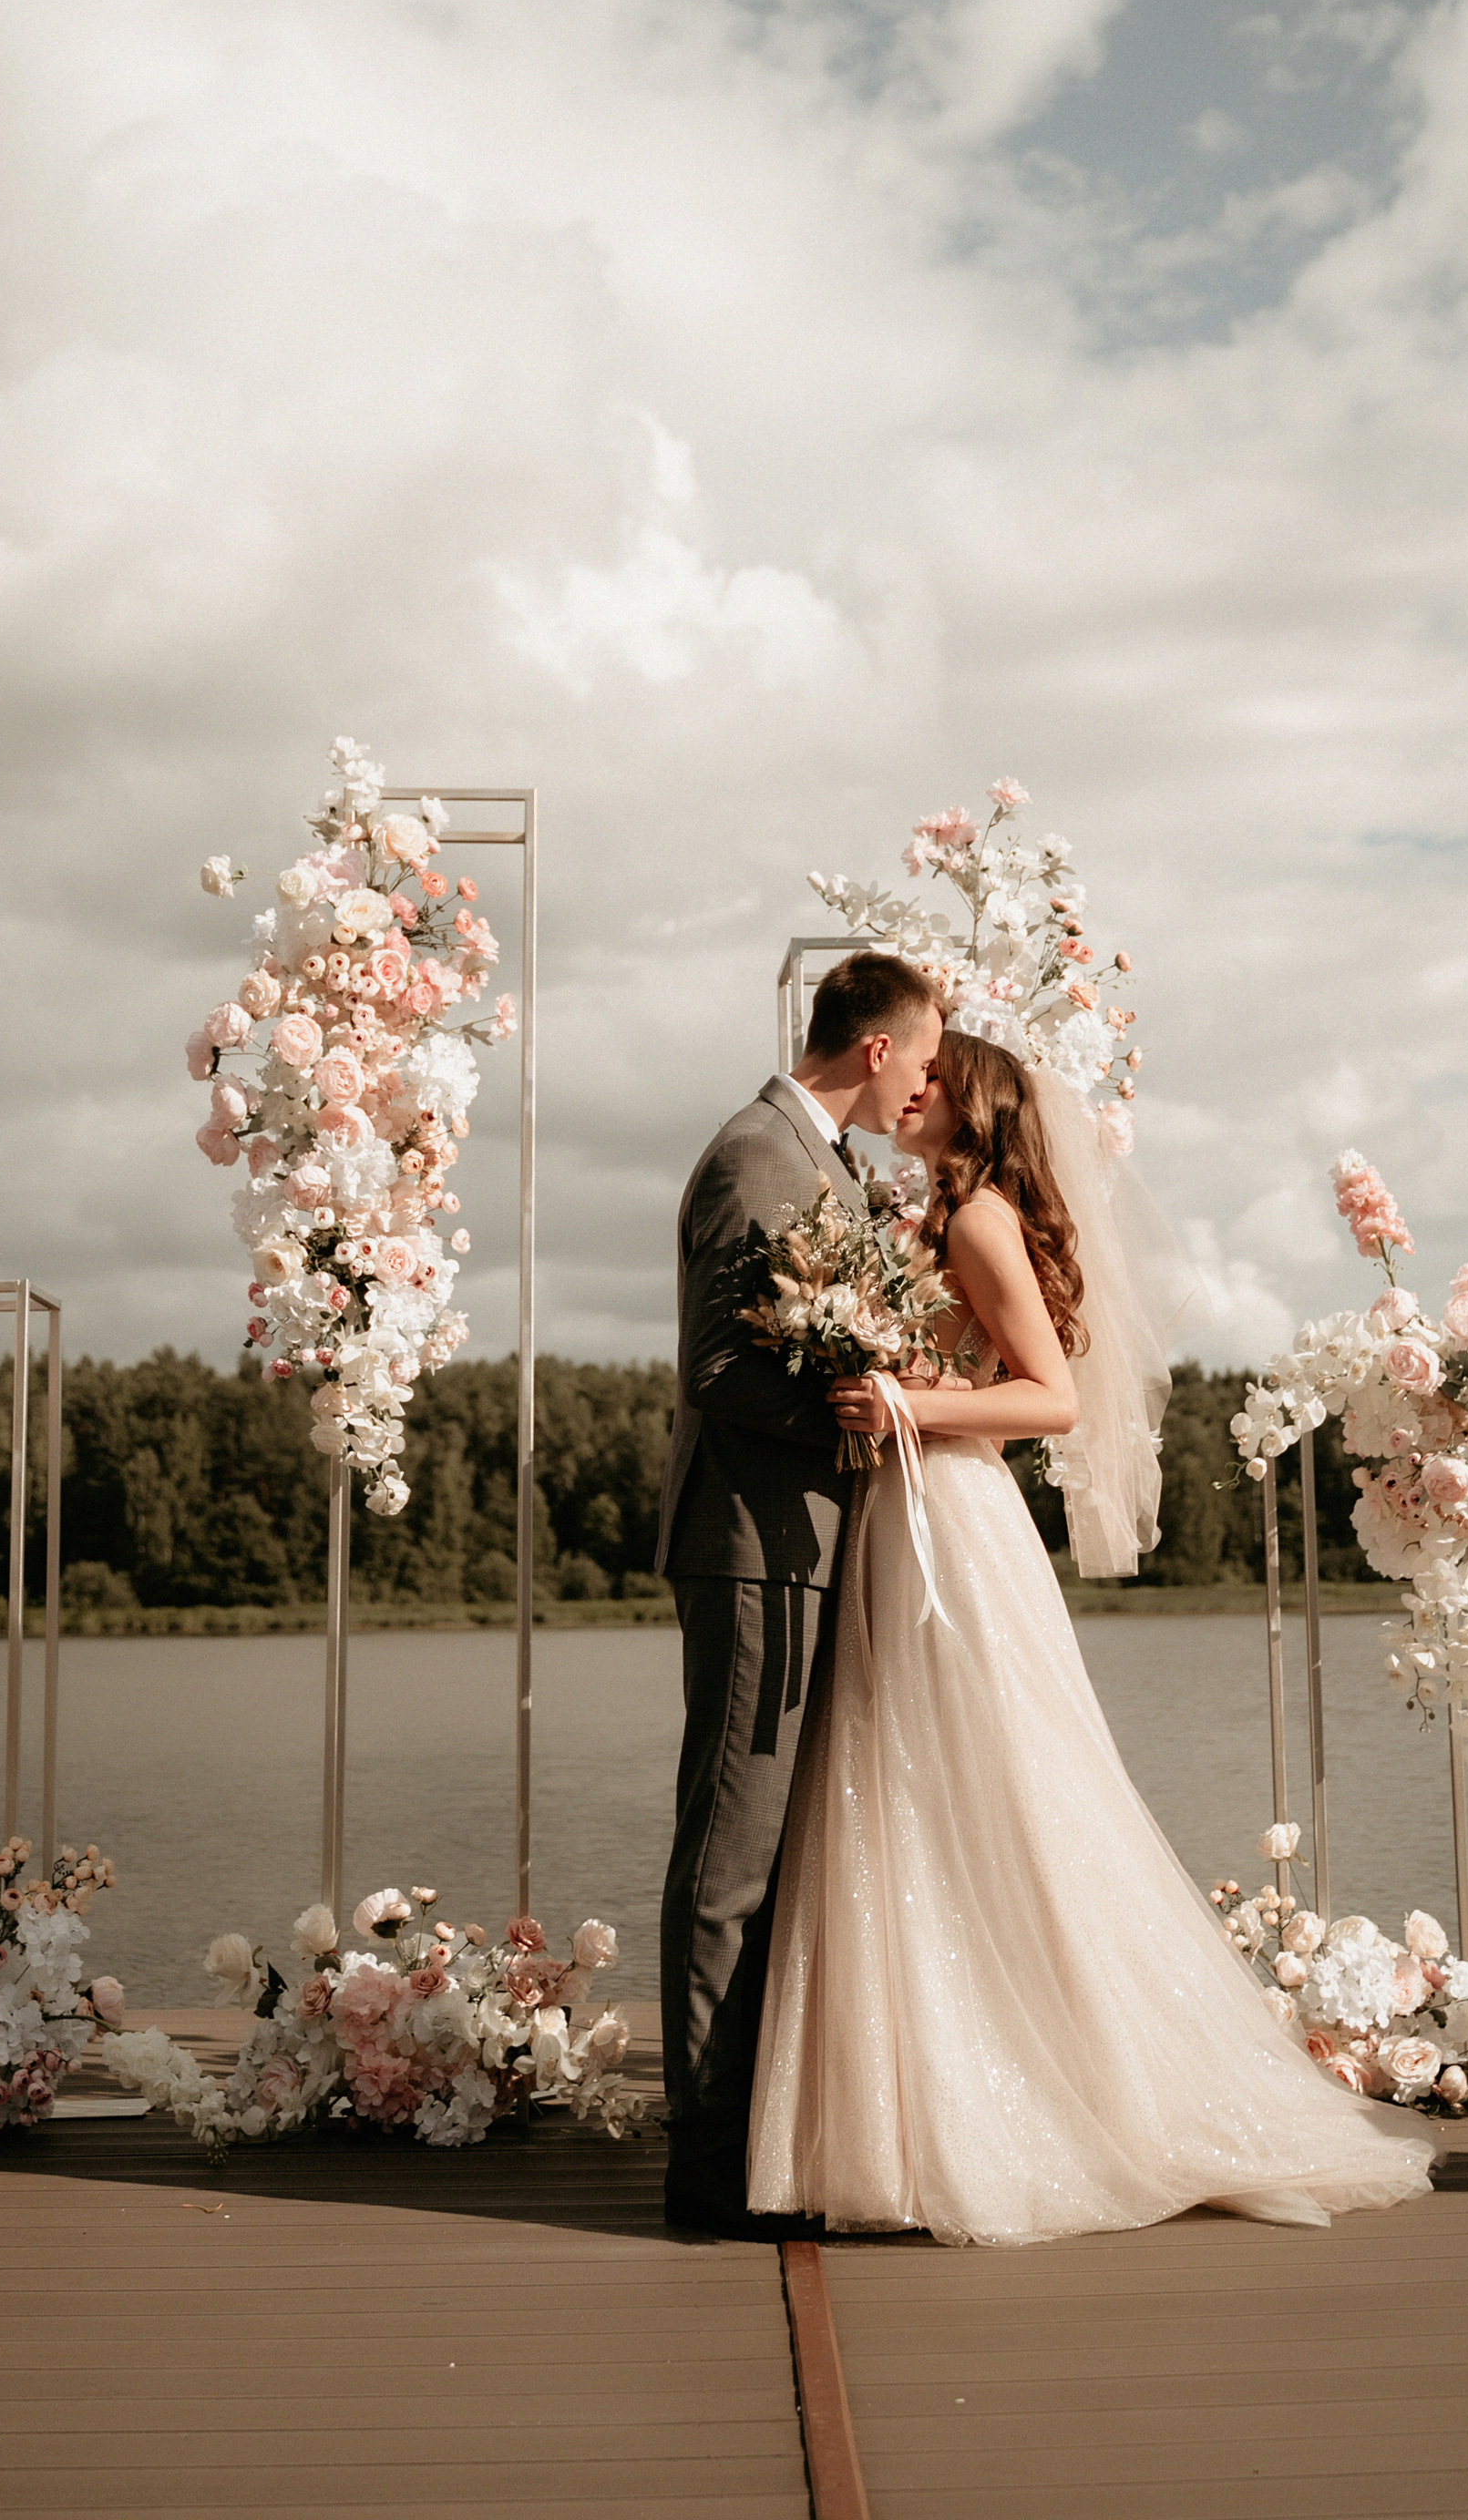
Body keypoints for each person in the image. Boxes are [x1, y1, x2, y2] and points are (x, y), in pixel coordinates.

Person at [747, 999, 1436, 2242]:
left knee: (989, 1785)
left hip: (951, 1524)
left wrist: (905, 1403)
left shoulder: (979, 1218)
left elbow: (1051, 1400)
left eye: (936, 1080)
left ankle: (1035, 2090)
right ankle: (917, 2099)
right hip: (920, 1516)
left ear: (975, 1106)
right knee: (918, 1787)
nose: (911, 1091)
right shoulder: (935, 1217)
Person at [655, 949, 944, 2238]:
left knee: (772, 1852)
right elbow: (720, 1367)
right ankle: (710, 2177)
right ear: (876, 1048)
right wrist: (857, 1410)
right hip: (756, 1543)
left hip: (805, 1541)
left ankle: (761, 2140)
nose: (927, 1086)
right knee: (732, 1852)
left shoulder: (824, 1164)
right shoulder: (758, 1154)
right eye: (925, 1059)